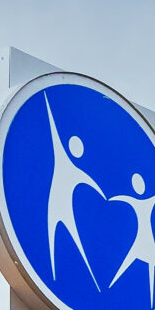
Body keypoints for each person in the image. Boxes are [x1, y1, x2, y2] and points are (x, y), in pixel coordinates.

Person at [43, 104, 104, 288]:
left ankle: (92, 281)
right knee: (58, 241)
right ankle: (89, 279)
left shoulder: (71, 167)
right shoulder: (65, 163)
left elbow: (90, 182)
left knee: (65, 241)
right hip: (57, 205)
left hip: (61, 206)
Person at [110, 173, 155, 308]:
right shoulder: (140, 199)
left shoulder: (145, 199)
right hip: (142, 240)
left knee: (142, 269)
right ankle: (150, 300)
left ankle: (151, 302)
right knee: (136, 267)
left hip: (145, 240)